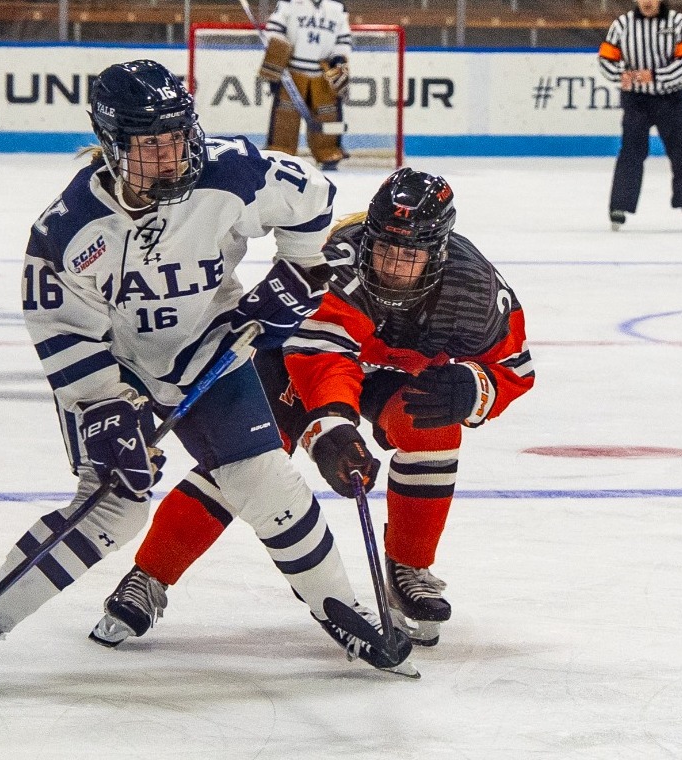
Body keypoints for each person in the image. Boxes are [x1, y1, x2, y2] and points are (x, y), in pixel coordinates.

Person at [0, 59, 414, 695]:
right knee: (112, 510)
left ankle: (343, 612)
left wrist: (303, 271)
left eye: (177, 137)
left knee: (268, 482)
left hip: (212, 347)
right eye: (149, 144)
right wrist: (104, 409)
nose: (170, 156)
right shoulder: (67, 231)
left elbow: (312, 202)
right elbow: (61, 332)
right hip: (118, 369)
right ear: (112, 146)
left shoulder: (231, 172)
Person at [90, 168, 535, 649]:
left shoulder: (474, 289)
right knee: (248, 459)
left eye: (410, 255)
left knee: (433, 425)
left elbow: (515, 366)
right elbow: (321, 357)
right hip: (294, 357)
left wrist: (476, 388)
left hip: (384, 368)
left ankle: (409, 565)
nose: (392, 266)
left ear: (439, 253)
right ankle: (150, 575)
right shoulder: (338, 261)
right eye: (385, 249)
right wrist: (334, 432)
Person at [598, 0, 682, 231]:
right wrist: (621, 75)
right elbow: (605, 59)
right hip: (636, 101)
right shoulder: (622, 25)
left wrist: (655, 76)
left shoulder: (679, 23)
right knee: (631, 153)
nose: (647, 1)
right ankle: (619, 206)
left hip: (670, 99)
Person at [257, 0, 352, 170]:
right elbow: (274, 30)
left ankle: (328, 152)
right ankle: (280, 151)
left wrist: (338, 59)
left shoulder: (337, 7)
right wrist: (277, 56)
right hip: (292, 71)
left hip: (324, 74)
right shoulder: (289, 2)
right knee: (285, 114)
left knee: (327, 113)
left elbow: (343, 39)